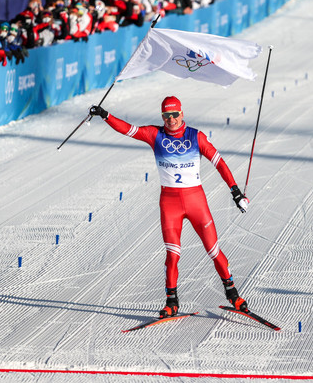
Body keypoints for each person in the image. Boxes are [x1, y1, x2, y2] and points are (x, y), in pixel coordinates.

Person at [88, 96, 250, 318]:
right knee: (172, 255)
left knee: (213, 250)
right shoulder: (155, 135)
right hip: (169, 203)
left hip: (196, 202)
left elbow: (219, 163)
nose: (171, 119)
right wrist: (106, 116)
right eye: (166, 115)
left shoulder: (196, 136)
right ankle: (171, 302)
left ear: (182, 114)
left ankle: (233, 295)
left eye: (175, 114)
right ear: (162, 116)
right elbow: (128, 130)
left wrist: (235, 192)